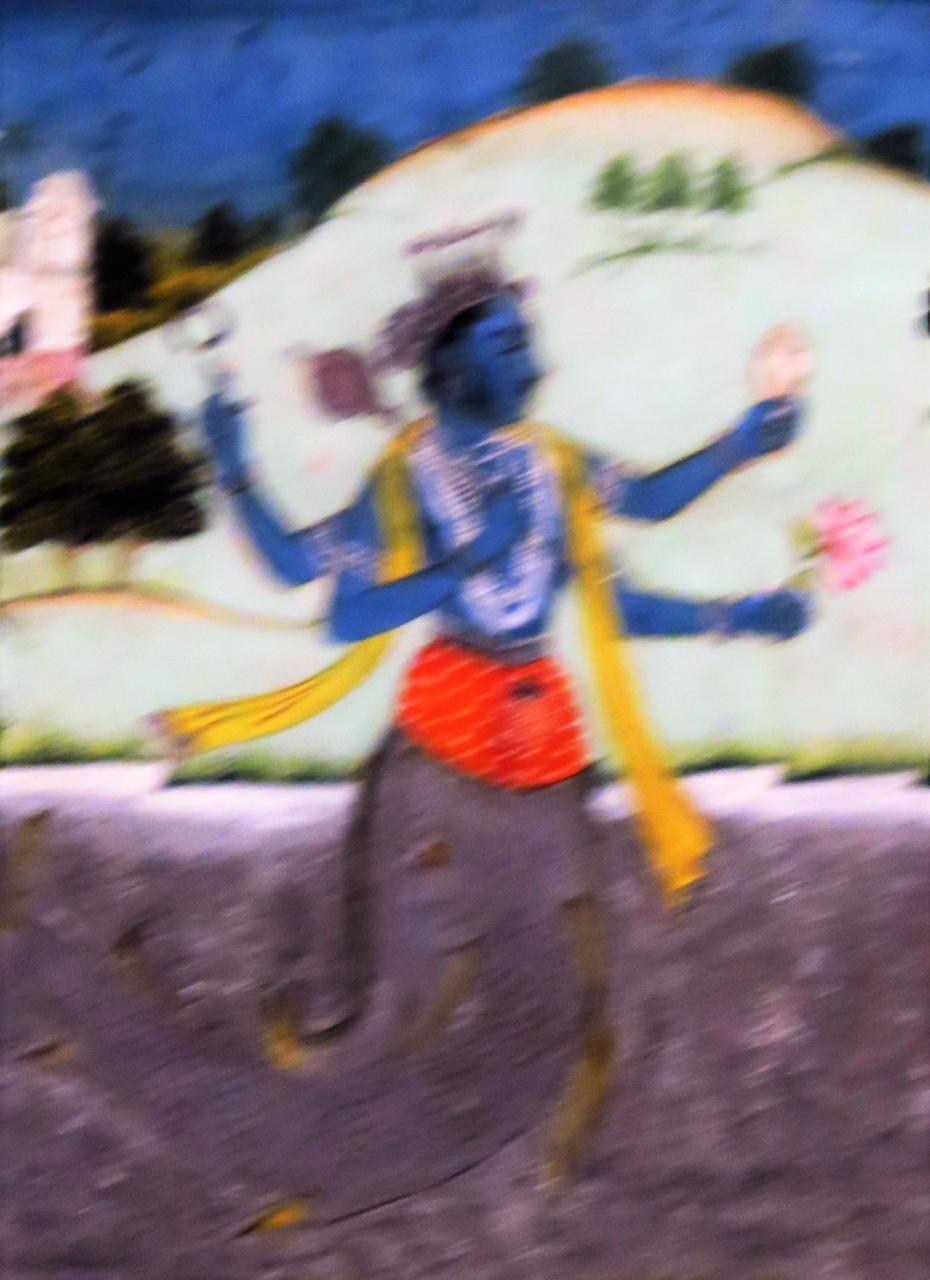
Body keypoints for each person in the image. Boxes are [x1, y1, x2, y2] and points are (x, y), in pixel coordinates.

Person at [158, 218, 813, 1182]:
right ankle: (301, 1147)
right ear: (452, 368)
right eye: (511, 347)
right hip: (442, 753)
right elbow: (328, 595)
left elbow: (633, 544)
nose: (538, 366)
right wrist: (238, 467)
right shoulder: (404, 481)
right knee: (395, 1009)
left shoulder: (551, 465)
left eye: (528, 343)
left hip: (544, 753)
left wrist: (742, 559)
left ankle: (557, 1188)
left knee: (574, 994)